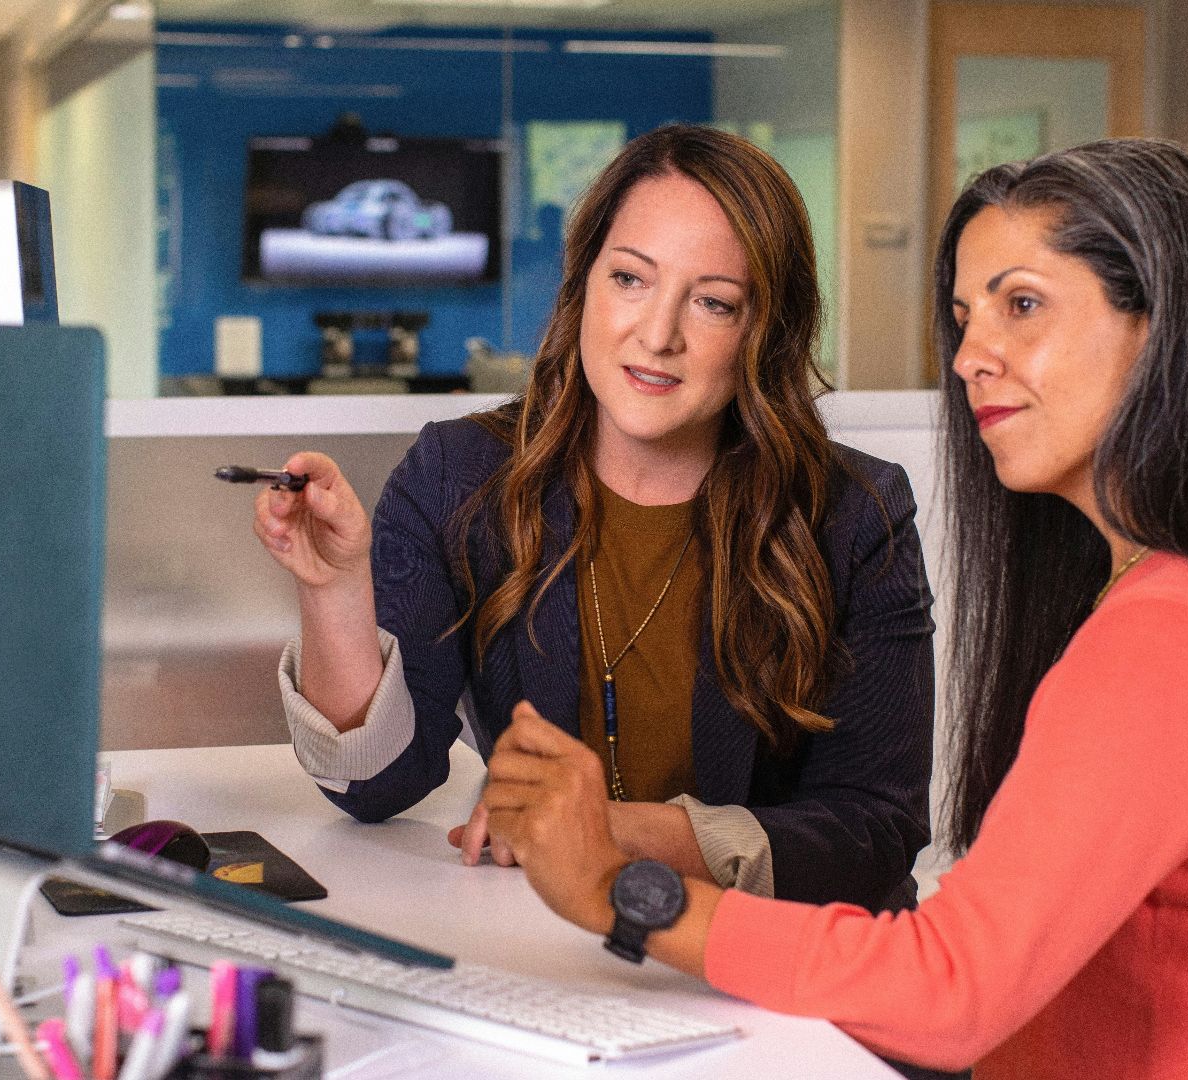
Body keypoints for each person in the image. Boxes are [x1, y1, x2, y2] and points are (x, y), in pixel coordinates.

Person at [478, 138, 1188, 1077]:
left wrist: (620, 893)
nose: (972, 356)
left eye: (1023, 306)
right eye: (966, 317)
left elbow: (952, 992)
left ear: (1165, 326)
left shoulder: (1182, 629)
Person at [251, 127, 937, 927]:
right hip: (555, 948)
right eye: (631, 279)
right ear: (584, 287)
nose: (657, 335)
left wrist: (614, 832)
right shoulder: (461, 475)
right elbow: (376, 786)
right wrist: (335, 589)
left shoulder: (855, 510)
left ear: (764, 330)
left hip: (784, 968)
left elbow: (873, 830)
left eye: (714, 301)